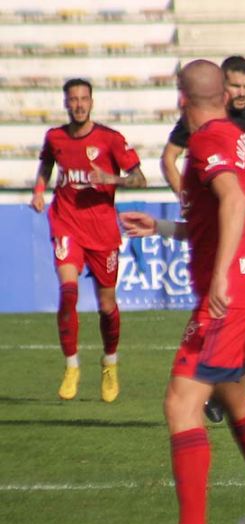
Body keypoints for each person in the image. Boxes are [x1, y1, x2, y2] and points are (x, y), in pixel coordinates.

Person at [122, 60, 245, 524]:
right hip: (238, 287)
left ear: (182, 98)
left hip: (226, 295)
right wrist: (160, 230)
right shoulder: (236, 138)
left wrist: (219, 276)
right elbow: (217, 217)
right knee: (236, 397)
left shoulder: (205, 141)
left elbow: (236, 201)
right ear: (223, 94)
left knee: (180, 402)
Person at [161, 55, 245, 422]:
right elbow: (169, 158)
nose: (243, 93)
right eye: (236, 85)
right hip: (224, 219)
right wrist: (187, 199)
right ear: (222, 87)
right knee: (224, 301)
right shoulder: (204, 120)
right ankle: (217, 387)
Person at [30, 78, 147, 403]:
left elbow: (140, 178)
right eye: (73, 99)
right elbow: (46, 164)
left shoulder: (110, 139)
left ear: (91, 102)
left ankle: (110, 362)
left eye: (84, 99)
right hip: (66, 223)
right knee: (67, 293)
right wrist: (40, 192)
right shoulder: (55, 137)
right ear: (66, 103)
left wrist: (111, 178)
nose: (79, 104)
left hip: (102, 231)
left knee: (107, 307)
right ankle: (71, 366)